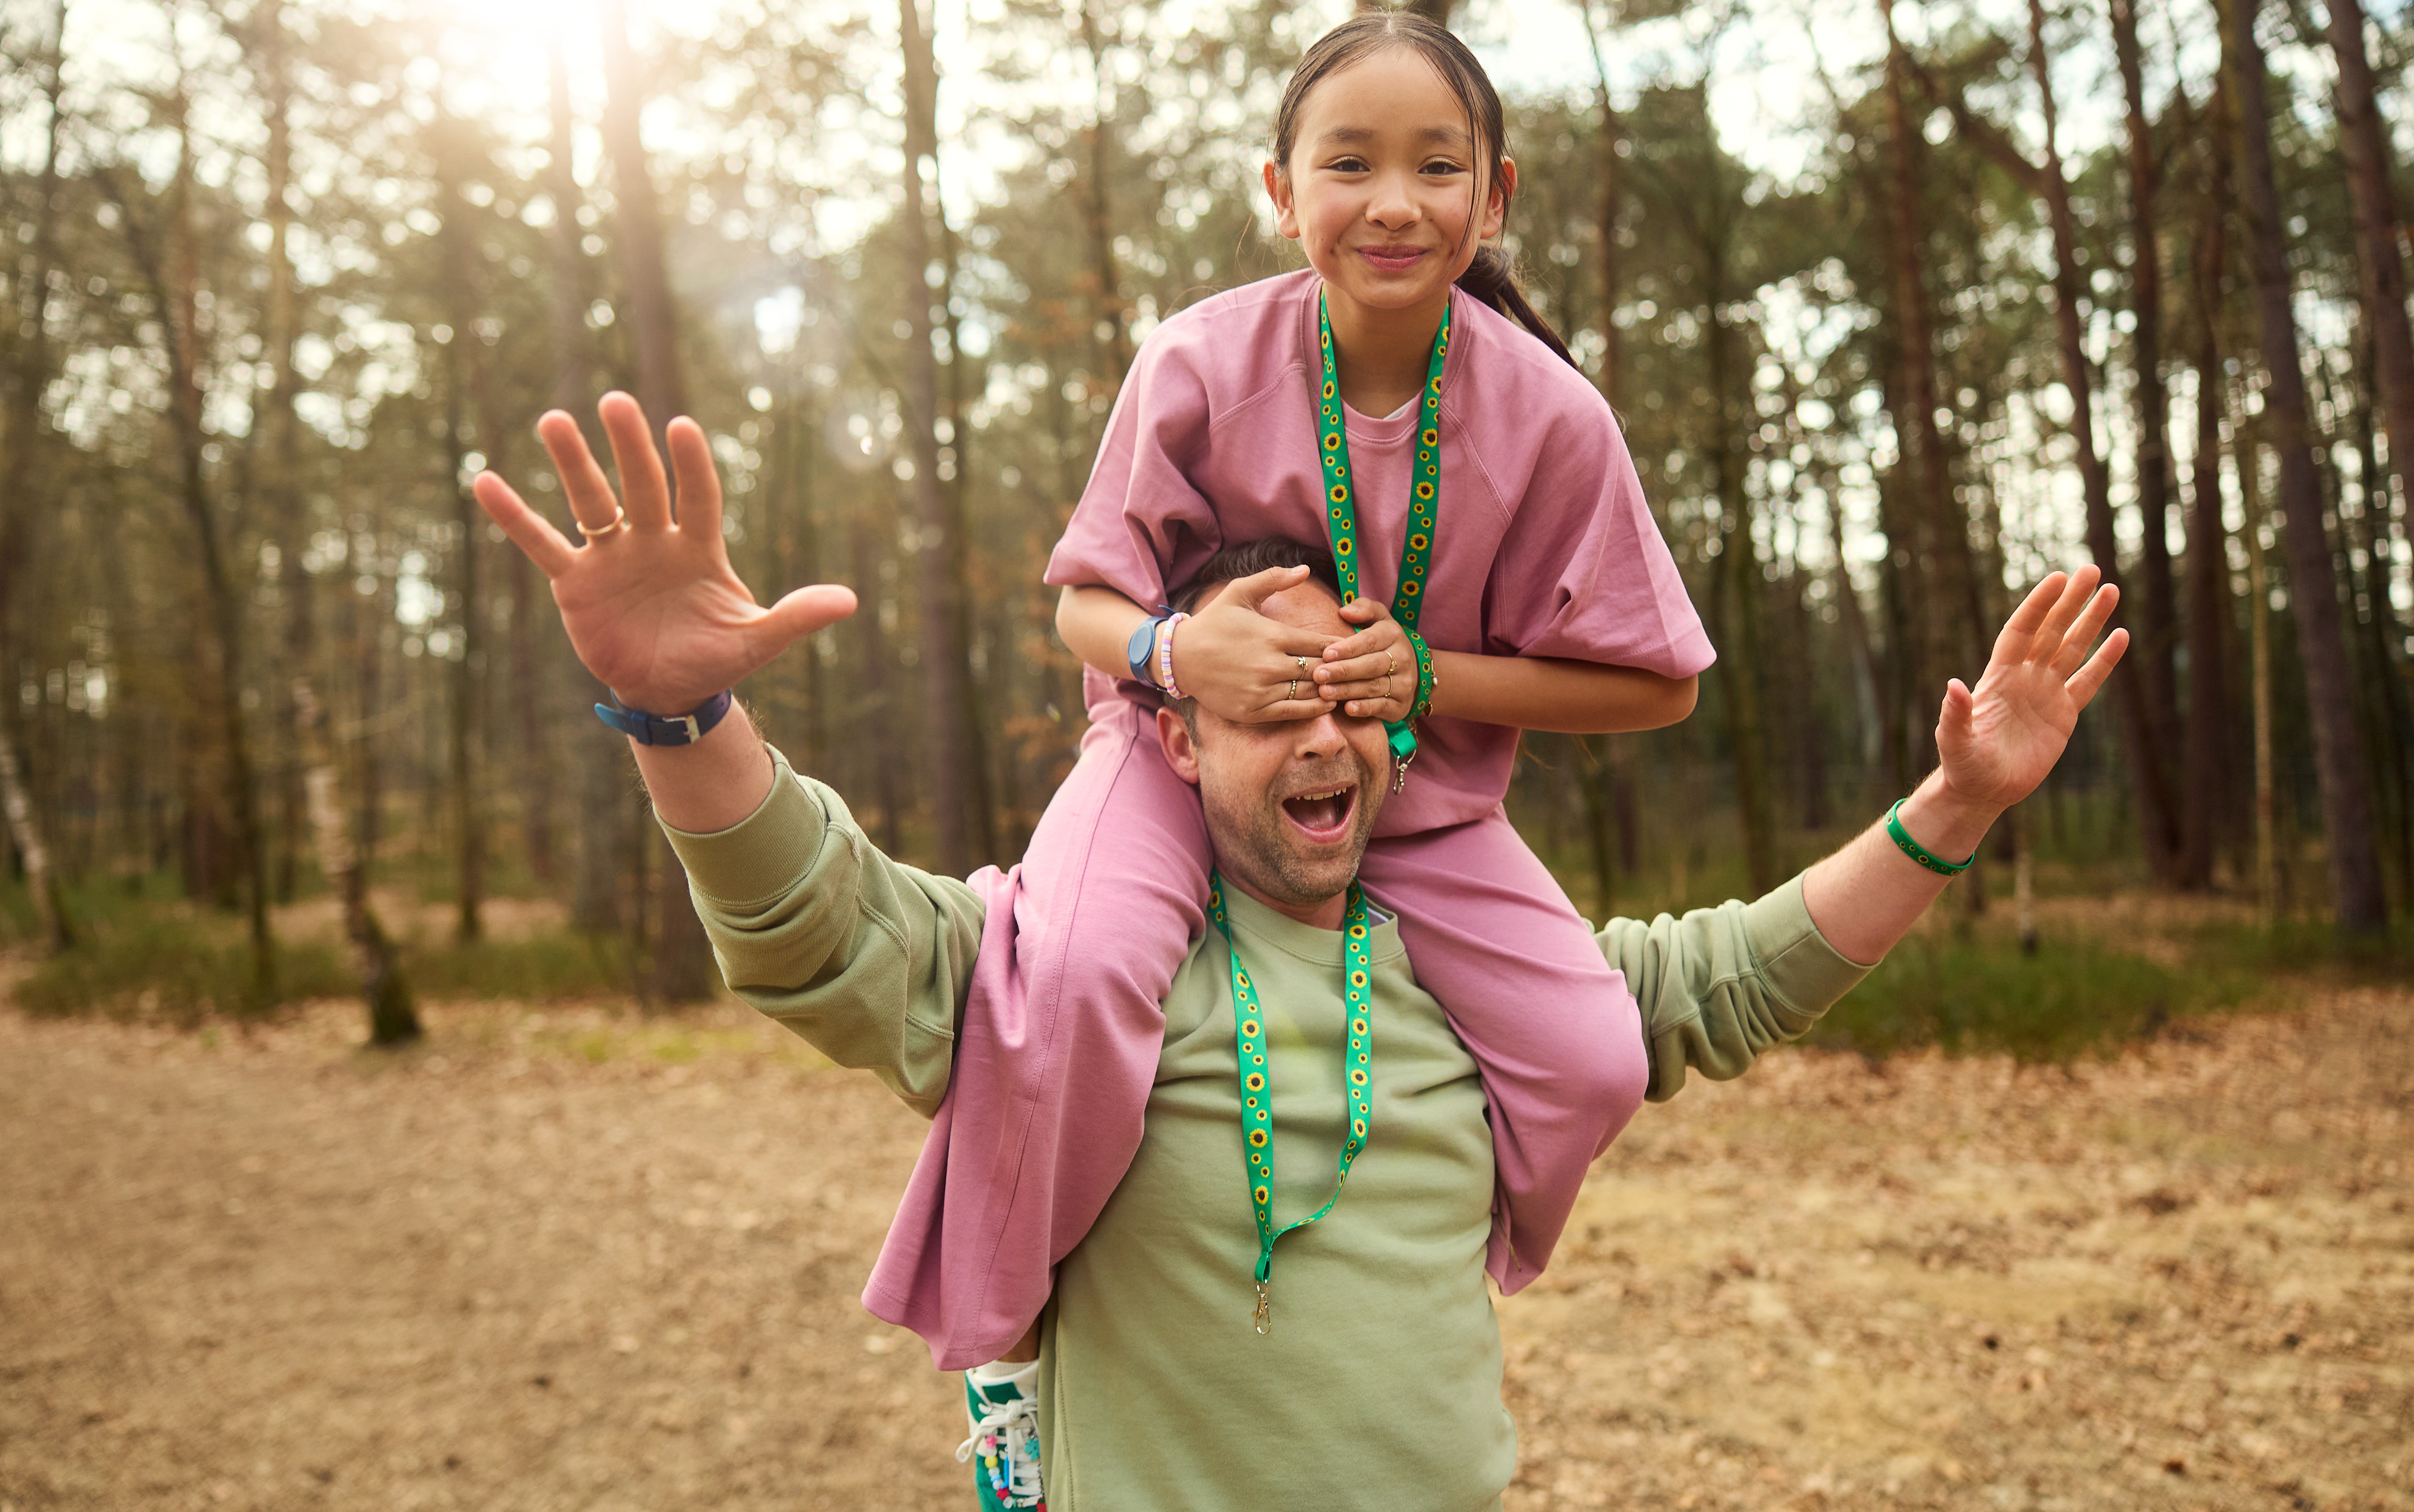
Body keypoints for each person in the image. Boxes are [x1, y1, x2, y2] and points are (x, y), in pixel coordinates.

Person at [474, 407, 2128, 1510]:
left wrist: (1956, 806)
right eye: (1272, 701)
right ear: (1178, 738)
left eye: (1349, 695)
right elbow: (823, 927)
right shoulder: (1073, 973)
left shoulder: (1479, 974)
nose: (1324, 734)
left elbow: (1728, 982)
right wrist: (685, 719)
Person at [886, 9, 1718, 1498]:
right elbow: (1082, 602)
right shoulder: (1200, 360)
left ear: (1495, 198)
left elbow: (1658, 687)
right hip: (1172, 752)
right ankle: (1008, 1345)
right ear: (1282, 191)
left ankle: (1408, 1258)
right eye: (1349, 164)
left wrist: (1437, 678)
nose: (1393, 203)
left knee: (1596, 1056)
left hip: (1421, 797)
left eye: (1436, 167)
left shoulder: (1553, 416)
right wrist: (1173, 654)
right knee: (1072, 981)